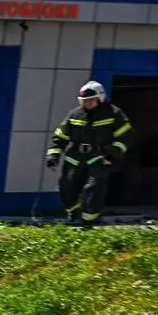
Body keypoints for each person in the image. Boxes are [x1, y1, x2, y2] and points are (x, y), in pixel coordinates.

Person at [45, 81, 132, 228]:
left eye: (91, 101)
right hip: (74, 157)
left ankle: (89, 220)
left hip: (99, 157)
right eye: (84, 101)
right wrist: (53, 157)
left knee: (93, 189)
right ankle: (73, 212)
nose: (87, 104)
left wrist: (112, 155)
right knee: (66, 188)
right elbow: (60, 136)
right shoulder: (74, 114)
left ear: (100, 98)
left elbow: (125, 136)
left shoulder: (114, 114)